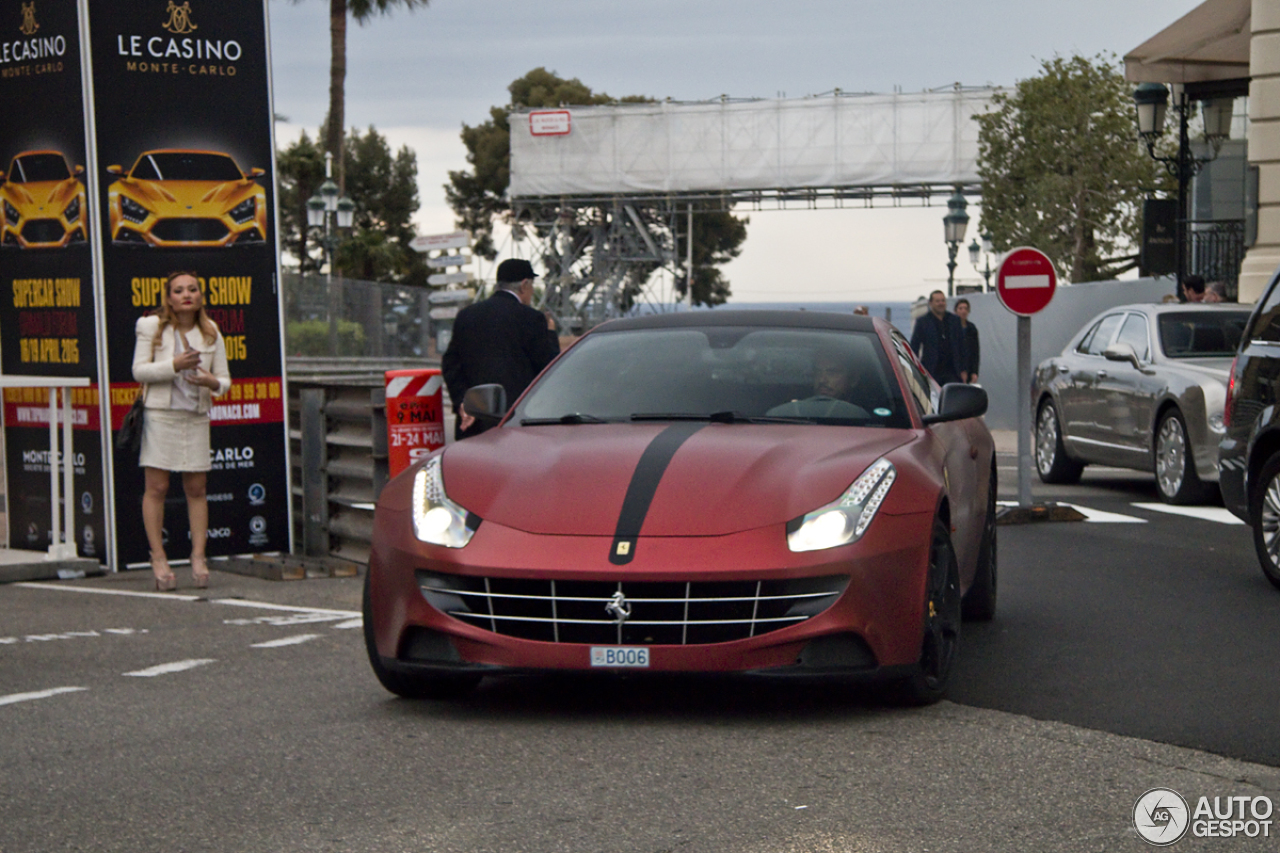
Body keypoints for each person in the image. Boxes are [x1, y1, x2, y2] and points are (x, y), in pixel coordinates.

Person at [132, 271, 231, 591]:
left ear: (201, 296)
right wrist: (174, 365)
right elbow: (139, 370)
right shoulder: (151, 326)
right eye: (178, 290)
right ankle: (158, 557)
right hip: (161, 415)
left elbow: (225, 381)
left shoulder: (211, 330)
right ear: (168, 297)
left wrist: (210, 382)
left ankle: (198, 556)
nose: (186, 294)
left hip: (195, 416)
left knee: (197, 488)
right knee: (157, 487)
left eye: (192, 289)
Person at [442, 258, 560, 439]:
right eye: (531, 287)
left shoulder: (467, 315)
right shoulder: (531, 318)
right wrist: (550, 333)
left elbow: (450, 364)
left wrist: (463, 403)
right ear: (524, 285)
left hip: (474, 424)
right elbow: (549, 367)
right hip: (517, 425)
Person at [909, 290, 967, 385]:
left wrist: (964, 370)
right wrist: (914, 370)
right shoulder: (923, 322)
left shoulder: (955, 320)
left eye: (943, 301)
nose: (941, 303)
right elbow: (914, 346)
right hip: (931, 371)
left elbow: (962, 346)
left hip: (953, 371)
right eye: (937, 301)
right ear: (931, 303)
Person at [954, 297, 980, 384]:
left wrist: (974, 372)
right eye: (960, 308)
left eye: (965, 308)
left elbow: (975, 352)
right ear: (956, 311)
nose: (963, 311)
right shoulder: (950, 328)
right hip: (953, 370)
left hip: (969, 368)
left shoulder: (972, 329)